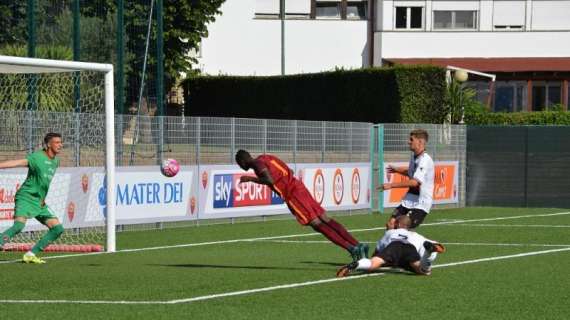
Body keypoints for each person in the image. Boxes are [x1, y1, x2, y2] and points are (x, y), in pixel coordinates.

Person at [235, 149, 368, 261]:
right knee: (325, 218)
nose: (241, 167)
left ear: (242, 161)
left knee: (317, 224)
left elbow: (269, 180)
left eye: (240, 165)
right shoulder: (266, 157)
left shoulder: (258, 164)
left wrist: (250, 179)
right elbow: (288, 170)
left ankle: (352, 249)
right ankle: (358, 244)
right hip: (298, 186)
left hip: (292, 194)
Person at [0, 133, 65, 264]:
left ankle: (31, 254)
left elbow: (43, 184)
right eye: (57, 142)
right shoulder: (37, 157)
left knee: (58, 229)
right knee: (18, 226)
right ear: (48, 144)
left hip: (39, 202)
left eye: (60, 142)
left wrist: (42, 198)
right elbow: (18, 162)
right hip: (25, 197)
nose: (60, 145)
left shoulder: (56, 161)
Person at [336, 215, 445, 277]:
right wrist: (435, 245)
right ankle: (429, 253)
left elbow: (377, 252)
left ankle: (356, 265)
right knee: (424, 271)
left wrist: (380, 261)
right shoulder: (414, 235)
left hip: (394, 246)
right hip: (409, 248)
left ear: (398, 224)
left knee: (373, 264)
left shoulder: (389, 233)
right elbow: (435, 244)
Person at [380, 129, 434, 229]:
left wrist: (391, 185)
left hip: (420, 204)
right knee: (390, 224)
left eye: (411, 139)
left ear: (420, 142)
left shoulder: (425, 160)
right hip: (408, 200)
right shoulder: (414, 157)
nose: (408, 142)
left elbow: (415, 182)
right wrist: (397, 170)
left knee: (401, 227)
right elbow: (411, 173)